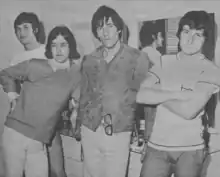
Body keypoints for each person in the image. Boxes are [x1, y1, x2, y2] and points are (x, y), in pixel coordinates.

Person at [137, 10, 220, 177]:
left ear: (206, 39)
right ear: (179, 33)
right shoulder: (164, 61)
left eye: (198, 35)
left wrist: (159, 91)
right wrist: (179, 94)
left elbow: (188, 111)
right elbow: (141, 95)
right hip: (156, 147)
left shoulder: (211, 70)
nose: (190, 39)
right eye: (186, 31)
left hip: (190, 150)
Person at [73, 5, 151, 177]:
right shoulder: (89, 59)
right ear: (96, 33)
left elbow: (149, 99)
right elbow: (84, 95)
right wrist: (78, 125)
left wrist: (148, 137)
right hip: (90, 130)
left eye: (109, 26)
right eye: (100, 28)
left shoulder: (137, 58)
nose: (105, 32)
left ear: (119, 29)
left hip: (119, 132)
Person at [0, 25, 81, 177]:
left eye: (63, 44)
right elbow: (5, 74)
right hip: (15, 134)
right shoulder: (34, 65)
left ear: (71, 46)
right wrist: (13, 96)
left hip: (39, 141)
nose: (58, 50)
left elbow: (80, 99)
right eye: (54, 45)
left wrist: (76, 113)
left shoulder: (75, 74)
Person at [10, 12, 67, 177]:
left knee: (57, 170)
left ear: (35, 29)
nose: (21, 33)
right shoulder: (16, 59)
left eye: (25, 27)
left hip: (49, 123)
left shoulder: (48, 52)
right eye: (18, 29)